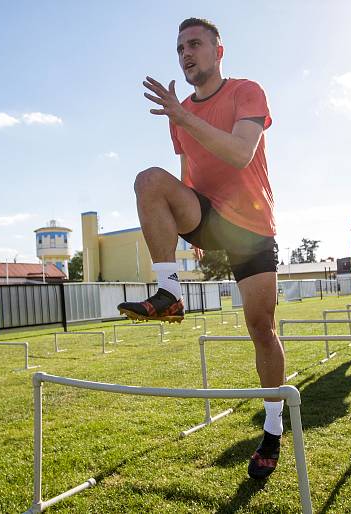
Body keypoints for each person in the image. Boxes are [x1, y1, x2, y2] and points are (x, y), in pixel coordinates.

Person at [115, 18, 283, 480]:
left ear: (218, 50)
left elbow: (239, 154)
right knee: (149, 180)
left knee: (261, 325)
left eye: (195, 44)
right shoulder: (180, 114)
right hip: (208, 216)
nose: (186, 54)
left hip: (251, 225)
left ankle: (272, 426)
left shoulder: (246, 91)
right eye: (180, 49)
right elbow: (189, 169)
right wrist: (190, 232)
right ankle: (168, 293)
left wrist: (182, 114)